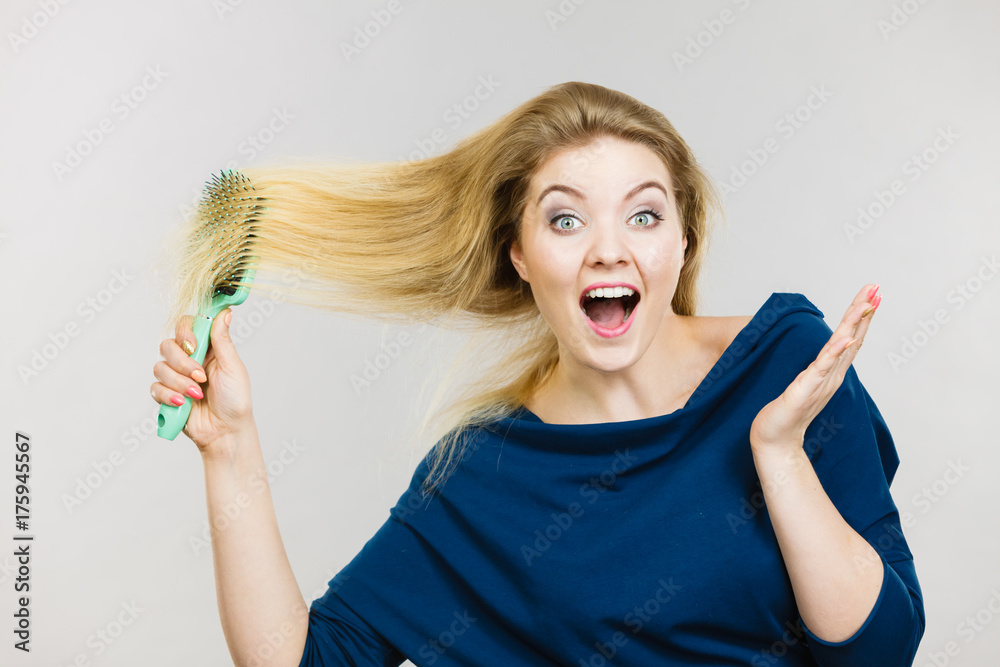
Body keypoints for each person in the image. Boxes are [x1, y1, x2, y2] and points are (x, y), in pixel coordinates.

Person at [151, 82, 924, 665]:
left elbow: (883, 648)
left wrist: (781, 455)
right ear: (520, 254)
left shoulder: (791, 362)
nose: (608, 249)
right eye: (565, 218)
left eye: (644, 214)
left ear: (683, 241)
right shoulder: (485, 471)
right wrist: (231, 447)